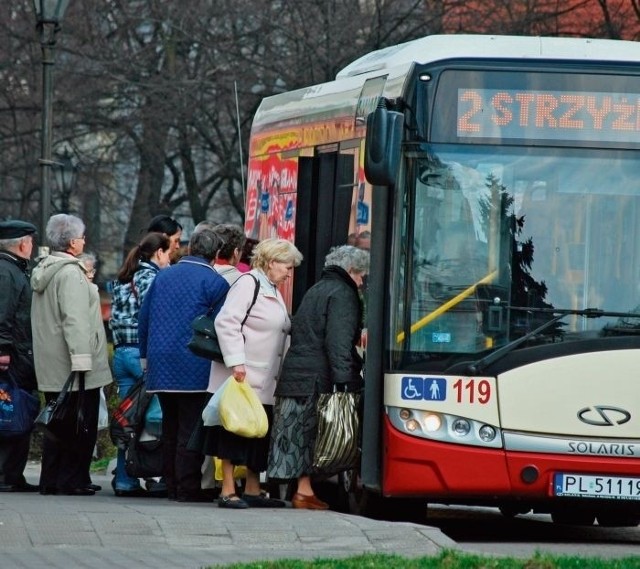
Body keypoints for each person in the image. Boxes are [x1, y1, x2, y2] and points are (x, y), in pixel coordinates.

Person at [203, 238, 303, 509]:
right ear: (271, 262)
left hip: (263, 380)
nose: (289, 273)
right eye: (287, 266)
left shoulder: (270, 288)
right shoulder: (249, 284)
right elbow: (227, 322)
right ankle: (227, 490)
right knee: (233, 432)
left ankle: (252, 488)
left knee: (258, 434)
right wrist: (237, 363)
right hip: (243, 377)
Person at [268, 245, 369, 510]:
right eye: (361, 276)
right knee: (318, 436)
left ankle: (301, 490)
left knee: (299, 433)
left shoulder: (316, 289)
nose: (361, 283)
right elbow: (338, 342)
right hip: (318, 377)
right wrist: (346, 380)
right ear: (351, 271)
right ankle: (303, 492)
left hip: (295, 373)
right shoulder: (344, 294)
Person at [138, 228, 228, 502]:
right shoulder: (215, 283)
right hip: (195, 364)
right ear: (215, 255)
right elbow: (222, 325)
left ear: (189, 249)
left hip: (160, 363)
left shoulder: (162, 276)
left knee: (170, 426)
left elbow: (144, 318)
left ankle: (170, 482)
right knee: (190, 429)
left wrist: (145, 358)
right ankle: (187, 488)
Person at [31, 214, 113, 496]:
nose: (84, 240)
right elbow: (75, 320)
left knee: (57, 424)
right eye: (81, 236)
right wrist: (82, 361)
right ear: (71, 241)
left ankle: (52, 479)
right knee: (79, 426)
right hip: (74, 367)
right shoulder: (70, 273)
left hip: (53, 364)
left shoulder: (46, 270)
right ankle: (72, 479)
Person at [109, 232, 171, 496]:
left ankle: (124, 479)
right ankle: (152, 473)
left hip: (121, 354)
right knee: (155, 418)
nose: (170, 259)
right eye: (168, 253)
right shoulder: (151, 278)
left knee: (127, 421)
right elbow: (153, 317)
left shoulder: (124, 278)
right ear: (159, 253)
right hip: (139, 355)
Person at [0, 220, 39, 493]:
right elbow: (3, 314)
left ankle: (11, 474)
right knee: (11, 413)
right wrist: (2, 349)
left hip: (16, 354)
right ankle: (7, 474)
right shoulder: (7, 273)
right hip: (13, 357)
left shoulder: (12, 270)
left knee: (13, 412)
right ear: (23, 244)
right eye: (31, 242)